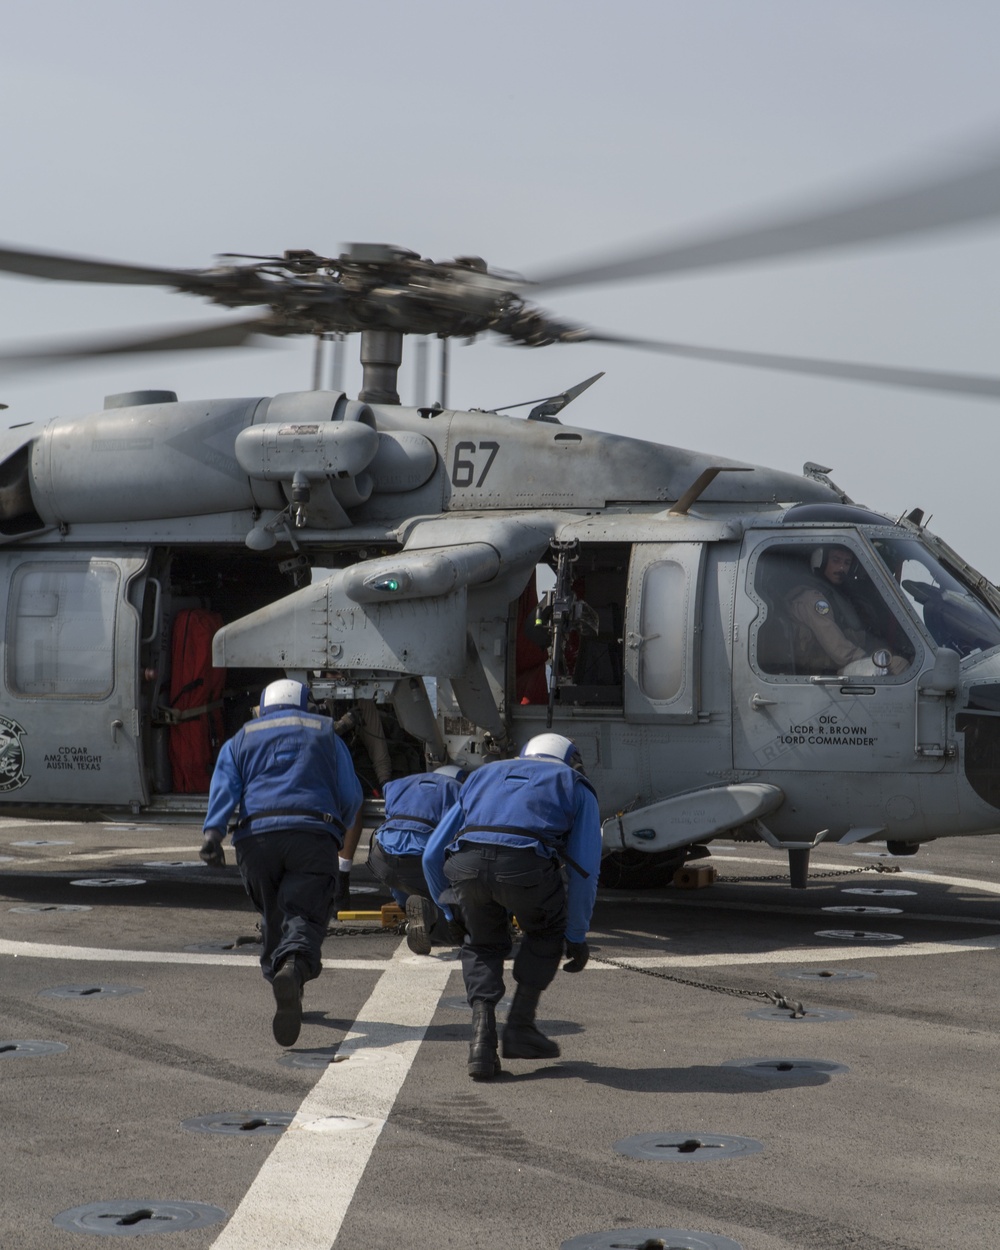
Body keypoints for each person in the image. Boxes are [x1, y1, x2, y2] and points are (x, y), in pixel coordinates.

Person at [422, 734, 602, 1081]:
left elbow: (432, 854)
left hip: (466, 866)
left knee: (481, 943)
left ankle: (481, 1042)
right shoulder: (574, 784)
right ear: (571, 761)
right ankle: (519, 1028)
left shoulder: (482, 775)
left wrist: (449, 911)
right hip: (526, 868)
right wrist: (576, 935)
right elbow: (584, 870)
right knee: (547, 931)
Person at [199, 678, 362, 1047]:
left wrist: (212, 836)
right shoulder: (325, 734)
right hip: (310, 835)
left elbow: (225, 787)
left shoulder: (242, 738)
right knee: (305, 914)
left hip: (255, 843)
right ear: (306, 703)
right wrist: (336, 825)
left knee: (274, 914)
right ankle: (294, 969)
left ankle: (284, 983)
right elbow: (351, 797)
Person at [367, 764, 467, 955]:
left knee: (397, 865)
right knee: (451, 923)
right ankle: (433, 921)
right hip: (421, 860)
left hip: (382, 861)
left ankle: (409, 910)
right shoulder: (456, 790)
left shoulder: (398, 786)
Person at [786, 545, 909, 677]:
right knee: (898, 665)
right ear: (820, 561)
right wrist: (869, 658)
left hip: (839, 665)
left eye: (847, 563)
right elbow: (838, 650)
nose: (841, 568)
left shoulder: (838, 594)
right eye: (836, 560)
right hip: (825, 673)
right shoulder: (813, 600)